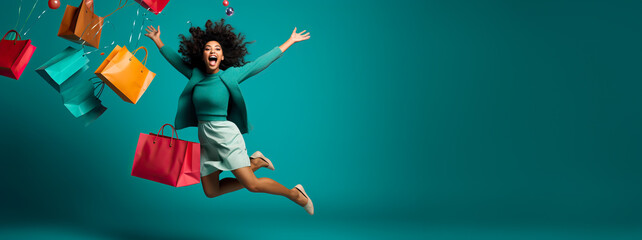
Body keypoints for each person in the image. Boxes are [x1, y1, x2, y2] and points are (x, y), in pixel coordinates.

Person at [144, 19, 313, 215]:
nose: (212, 51)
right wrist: (158, 40)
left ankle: (295, 194)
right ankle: (256, 162)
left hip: (225, 136)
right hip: (206, 139)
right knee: (211, 191)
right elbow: (176, 61)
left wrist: (289, 41)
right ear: (203, 55)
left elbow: (260, 63)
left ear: (222, 56)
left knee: (252, 185)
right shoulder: (196, 75)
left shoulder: (230, 75)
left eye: (217, 48)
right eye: (208, 48)